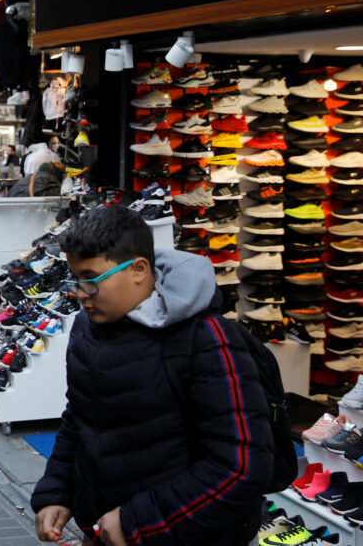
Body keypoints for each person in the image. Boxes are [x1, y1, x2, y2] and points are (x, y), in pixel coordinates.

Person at [31, 205, 273, 546]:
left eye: (91, 279)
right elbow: (80, 418)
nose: (81, 293)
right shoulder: (88, 325)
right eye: (75, 280)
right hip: (105, 530)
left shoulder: (205, 337)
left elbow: (241, 466)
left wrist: (137, 521)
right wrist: (58, 491)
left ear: (139, 270)